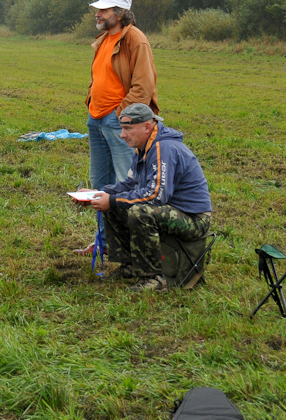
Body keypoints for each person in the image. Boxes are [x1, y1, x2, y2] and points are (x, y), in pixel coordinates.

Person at [77, 103, 212, 292]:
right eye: (122, 128)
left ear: (147, 127)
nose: (122, 135)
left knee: (139, 212)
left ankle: (154, 277)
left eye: (128, 129)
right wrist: (98, 194)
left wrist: (112, 200)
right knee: (116, 203)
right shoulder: (144, 147)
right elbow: (130, 184)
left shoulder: (163, 148)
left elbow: (155, 196)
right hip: (171, 210)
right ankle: (130, 266)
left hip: (194, 218)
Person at [86, 0, 159, 193]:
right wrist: (91, 101)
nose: (97, 14)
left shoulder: (135, 39)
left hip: (118, 120)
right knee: (99, 182)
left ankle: (129, 215)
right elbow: (98, 76)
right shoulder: (103, 39)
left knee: (127, 180)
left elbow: (144, 86)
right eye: (98, 10)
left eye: (104, 10)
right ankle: (105, 216)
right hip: (95, 118)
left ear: (120, 13)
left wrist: (120, 115)